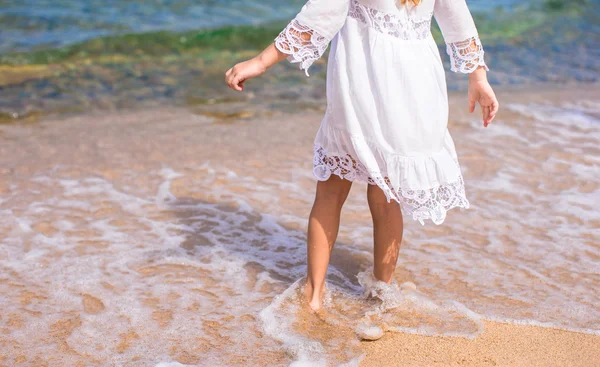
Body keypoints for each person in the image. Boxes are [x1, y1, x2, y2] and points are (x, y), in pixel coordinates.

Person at [225, 0, 499, 312]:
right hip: (415, 85)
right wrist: (479, 78)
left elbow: (320, 16)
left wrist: (261, 61)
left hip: (364, 82)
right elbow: (457, 22)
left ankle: (314, 296)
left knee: (331, 190)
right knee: (386, 195)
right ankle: (380, 296)